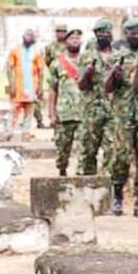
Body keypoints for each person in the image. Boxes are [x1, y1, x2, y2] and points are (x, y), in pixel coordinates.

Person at [105, 17, 138, 216]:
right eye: (132, 33)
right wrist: (114, 74)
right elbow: (107, 87)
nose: (136, 36)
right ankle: (117, 193)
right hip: (123, 114)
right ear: (126, 34)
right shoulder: (116, 56)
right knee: (121, 157)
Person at [77, 18, 115, 176]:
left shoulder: (117, 55)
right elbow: (81, 85)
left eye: (106, 32)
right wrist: (87, 73)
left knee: (111, 149)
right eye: (100, 33)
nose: (104, 35)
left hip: (113, 110)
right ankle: (87, 181)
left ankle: (108, 184)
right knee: (88, 150)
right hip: (91, 110)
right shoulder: (86, 56)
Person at [48, 29, 83, 176]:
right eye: (72, 38)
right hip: (64, 113)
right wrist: (51, 114)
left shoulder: (87, 61)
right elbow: (52, 90)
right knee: (63, 149)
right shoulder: (57, 63)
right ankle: (62, 170)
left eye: (77, 38)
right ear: (66, 42)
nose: (75, 41)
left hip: (83, 112)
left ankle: (82, 175)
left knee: (84, 148)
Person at [7, 28, 45, 131]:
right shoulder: (15, 51)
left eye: (31, 35)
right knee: (14, 109)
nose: (29, 37)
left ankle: (26, 133)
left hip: (32, 87)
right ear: (23, 37)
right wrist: (11, 84)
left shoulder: (37, 52)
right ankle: (9, 132)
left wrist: (40, 87)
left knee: (29, 111)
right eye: (27, 35)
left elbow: (41, 70)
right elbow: (9, 68)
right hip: (18, 87)